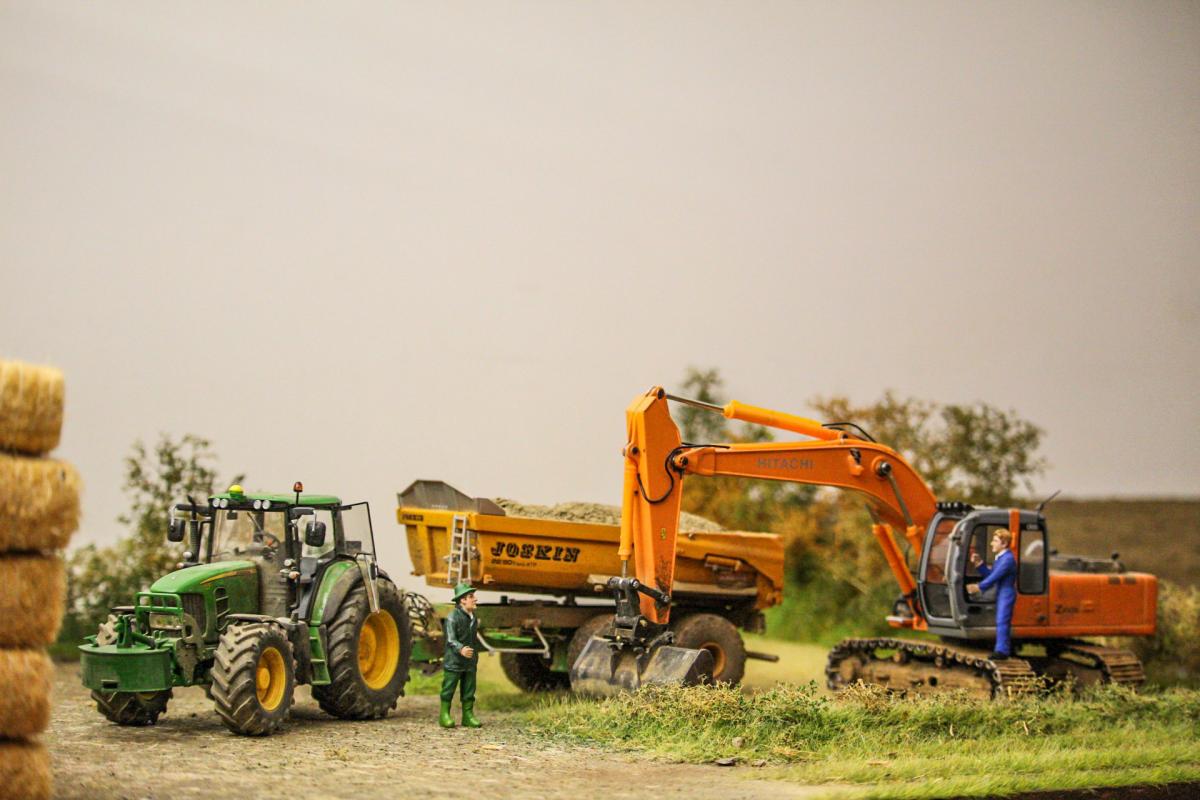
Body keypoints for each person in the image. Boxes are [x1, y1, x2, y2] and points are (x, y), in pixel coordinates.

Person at [968, 529, 1016, 660]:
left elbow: (995, 576)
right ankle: (1001, 649)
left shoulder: (1007, 559)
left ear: (1004, 543)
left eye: (995, 541)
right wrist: (980, 565)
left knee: (1002, 621)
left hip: (1006, 592)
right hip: (1000, 591)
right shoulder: (1000, 558)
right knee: (1000, 620)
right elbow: (991, 575)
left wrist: (979, 587)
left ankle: (1002, 651)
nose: (991, 543)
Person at [440, 582, 482, 729]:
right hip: (454, 661)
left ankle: (468, 716)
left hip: (470, 661)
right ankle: (444, 715)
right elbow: (451, 639)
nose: (475, 599)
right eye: (471, 596)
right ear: (462, 600)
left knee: (469, 689)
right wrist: (461, 649)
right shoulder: (452, 617)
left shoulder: (473, 617)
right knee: (449, 688)